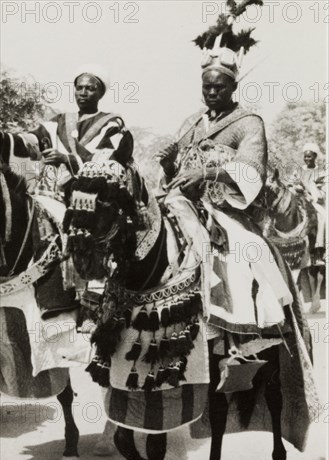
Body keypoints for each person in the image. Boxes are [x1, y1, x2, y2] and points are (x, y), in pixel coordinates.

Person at [156, 8, 309, 362]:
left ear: (234, 86)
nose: (211, 92)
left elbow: (252, 170)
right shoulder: (191, 123)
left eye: (219, 87)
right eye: (206, 87)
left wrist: (208, 174)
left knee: (245, 255)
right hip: (183, 207)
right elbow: (175, 175)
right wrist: (169, 165)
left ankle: (248, 337)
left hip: (230, 213)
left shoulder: (248, 122)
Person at [11, 64, 128, 201]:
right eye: (79, 88)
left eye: (90, 89)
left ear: (100, 93)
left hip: (90, 199)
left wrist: (67, 159)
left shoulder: (111, 124)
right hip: (51, 195)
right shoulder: (59, 121)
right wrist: (9, 140)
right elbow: (32, 138)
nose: (83, 93)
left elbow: (109, 163)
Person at [291, 143, 326, 312]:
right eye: (305, 156)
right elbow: (291, 186)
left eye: (309, 156)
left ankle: (320, 246)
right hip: (300, 203)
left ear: (315, 157)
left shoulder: (322, 172)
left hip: (315, 203)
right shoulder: (299, 171)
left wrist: (310, 190)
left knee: (322, 218)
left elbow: (321, 194)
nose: (306, 158)